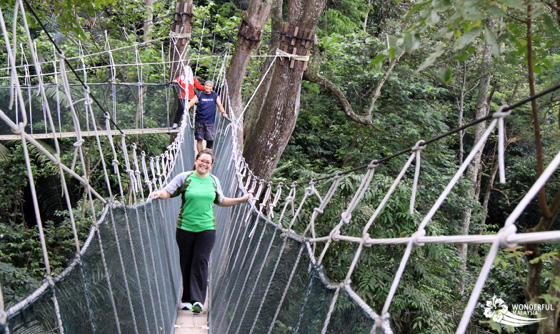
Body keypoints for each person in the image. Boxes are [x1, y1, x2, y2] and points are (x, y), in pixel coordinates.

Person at [151, 149, 250, 313]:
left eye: (207, 162)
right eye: (201, 160)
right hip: (185, 227)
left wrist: (240, 200)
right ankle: (186, 299)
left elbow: (220, 200)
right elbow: (167, 192)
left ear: (211, 166)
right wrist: (158, 193)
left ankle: (198, 301)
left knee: (201, 260)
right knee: (187, 261)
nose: (204, 164)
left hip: (207, 228)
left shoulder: (213, 180)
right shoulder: (184, 177)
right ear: (196, 160)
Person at [186, 81, 228, 154]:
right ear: (204, 86)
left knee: (210, 140)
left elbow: (219, 105)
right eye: (206, 86)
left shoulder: (215, 95)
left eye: (209, 86)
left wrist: (223, 113)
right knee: (199, 139)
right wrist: (186, 108)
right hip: (199, 121)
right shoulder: (200, 94)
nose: (208, 87)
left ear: (211, 88)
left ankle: (207, 157)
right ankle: (200, 155)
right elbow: (191, 102)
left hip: (210, 122)